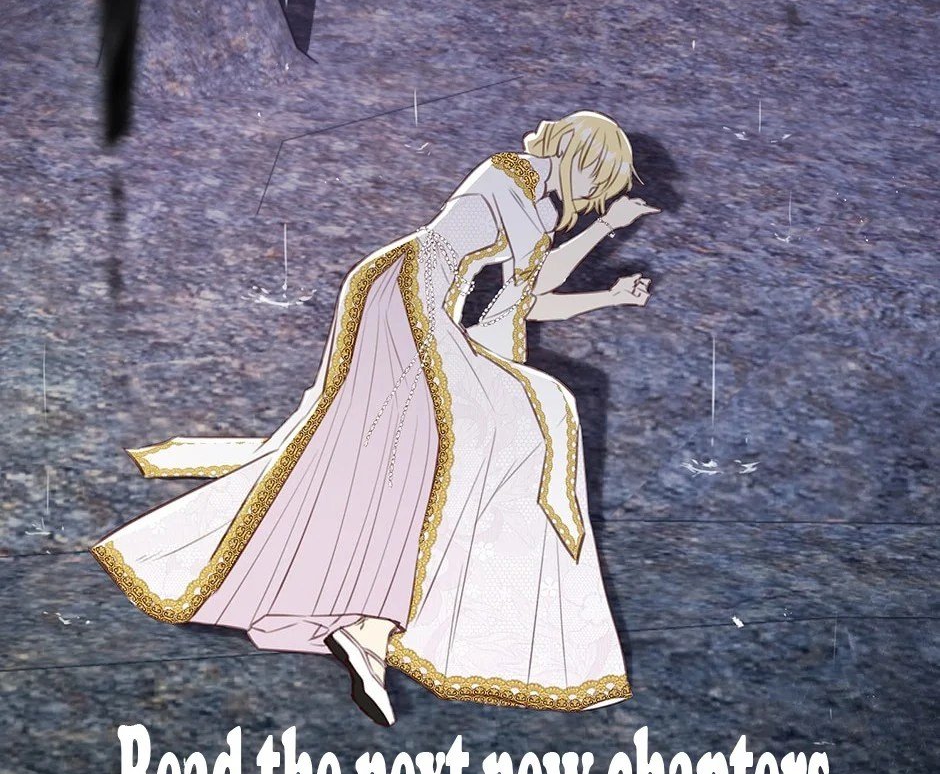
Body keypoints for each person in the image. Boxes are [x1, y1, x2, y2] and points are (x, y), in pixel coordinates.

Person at [92, 110, 658, 723]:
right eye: (597, 179)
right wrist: (594, 230)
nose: (594, 195)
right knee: (445, 437)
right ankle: (364, 619)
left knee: (446, 443)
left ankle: (365, 623)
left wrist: (607, 283)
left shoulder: (540, 208)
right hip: (400, 291)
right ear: (580, 156)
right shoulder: (508, 172)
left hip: (433, 310)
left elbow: (527, 298)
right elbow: (529, 272)